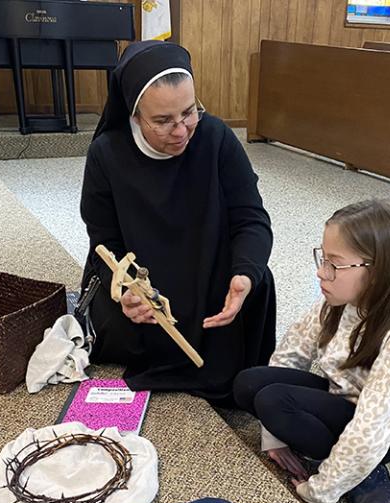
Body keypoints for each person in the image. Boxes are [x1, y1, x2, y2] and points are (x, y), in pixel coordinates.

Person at [80, 41, 276, 406]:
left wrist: (244, 274)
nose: (182, 130)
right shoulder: (107, 153)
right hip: (146, 280)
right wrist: (126, 292)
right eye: (163, 121)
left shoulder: (216, 138)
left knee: (255, 279)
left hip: (207, 268)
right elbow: (104, 244)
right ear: (135, 115)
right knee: (121, 319)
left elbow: (251, 219)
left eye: (189, 112)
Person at [233, 199, 390, 503]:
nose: (321, 271)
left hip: (381, 433)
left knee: (273, 401)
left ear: (376, 272)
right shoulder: (338, 302)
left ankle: (365, 473)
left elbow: (372, 428)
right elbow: (289, 357)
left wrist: (318, 490)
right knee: (249, 384)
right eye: (323, 258)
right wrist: (273, 436)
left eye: (334, 263)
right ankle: (348, 464)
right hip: (344, 400)